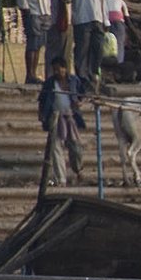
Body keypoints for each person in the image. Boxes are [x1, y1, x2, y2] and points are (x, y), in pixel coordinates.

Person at [37, 57, 86, 185]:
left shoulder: (74, 81)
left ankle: (78, 169)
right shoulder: (49, 83)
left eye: (59, 69)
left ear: (65, 68)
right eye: (55, 70)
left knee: (76, 148)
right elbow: (42, 99)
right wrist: (41, 114)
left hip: (71, 117)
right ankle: (61, 179)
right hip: (55, 116)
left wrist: (80, 103)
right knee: (56, 148)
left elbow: (82, 94)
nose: (57, 72)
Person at [66, 0, 107, 91]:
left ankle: (93, 74)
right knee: (82, 50)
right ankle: (82, 78)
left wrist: (106, 20)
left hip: (98, 19)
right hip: (82, 20)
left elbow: (102, 1)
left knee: (98, 49)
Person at [14, 0, 51, 83]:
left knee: (39, 46)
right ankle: (29, 74)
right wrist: (26, 11)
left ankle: (34, 74)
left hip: (44, 14)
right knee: (32, 45)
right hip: (33, 14)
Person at [45, 0, 71, 72]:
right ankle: (51, 77)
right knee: (53, 53)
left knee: (64, 54)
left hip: (63, 20)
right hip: (54, 20)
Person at [104, 0, 129, 65]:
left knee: (107, 42)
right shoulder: (120, 1)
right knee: (120, 43)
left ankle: (107, 60)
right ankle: (119, 62)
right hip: (118, 23)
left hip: (106, 22)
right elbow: (126, 15)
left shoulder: (104, 0)